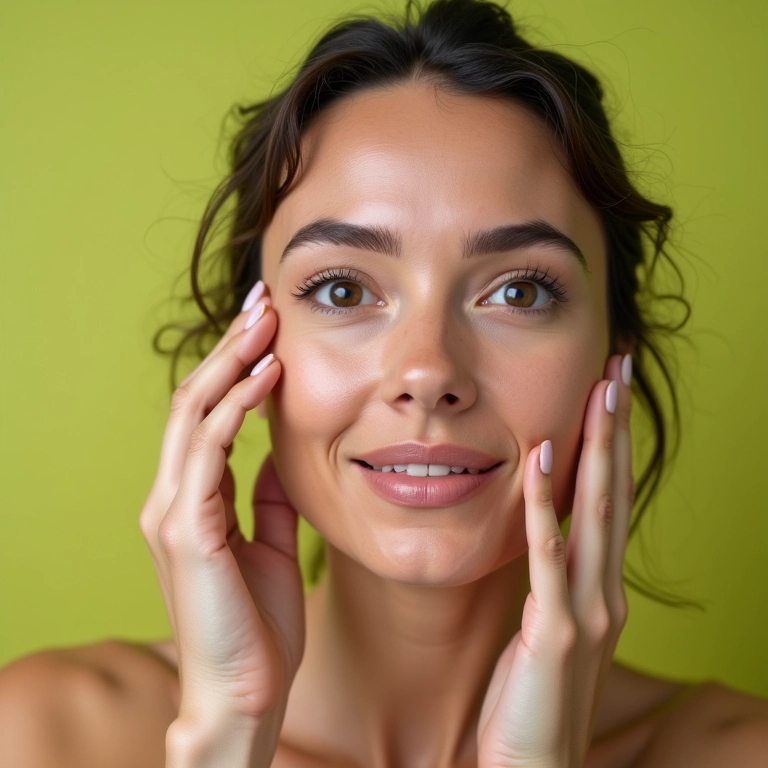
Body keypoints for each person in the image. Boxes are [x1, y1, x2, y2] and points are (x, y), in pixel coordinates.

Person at [1, 0, 767, 766]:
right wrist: (228, 734)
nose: (428, 373)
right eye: (342, 290)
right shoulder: (45, 737)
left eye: (520, 291)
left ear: (613, 353)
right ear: (244, 354)